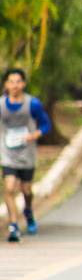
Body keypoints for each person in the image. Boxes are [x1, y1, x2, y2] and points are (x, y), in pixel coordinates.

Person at [1, 68, 52, 243]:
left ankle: (28, 211)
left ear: (23, 84)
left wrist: (35, 135)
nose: (14, 86)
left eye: (18, 82)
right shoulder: (1, 105)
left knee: (26, 191)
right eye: (11, 82)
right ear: (6, 84)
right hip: (8, 153)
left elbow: (46, 125)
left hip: (27, 154)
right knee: (9, 188)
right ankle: (14, 226)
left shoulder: (33, 104)